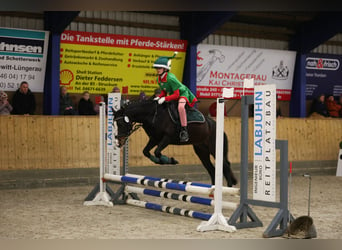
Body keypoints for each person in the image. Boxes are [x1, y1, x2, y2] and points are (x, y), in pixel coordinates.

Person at [152, 52, 198, 142]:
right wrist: (159, 97)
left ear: (165, 69)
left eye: (160, 68)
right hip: (173, 94)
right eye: (157, 68)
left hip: (183, 94)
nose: (157, 70)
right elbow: (164, 91)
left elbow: (177, 95)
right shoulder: (158, 79)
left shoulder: (170, 78)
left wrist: (165, 98)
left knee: (180, 107)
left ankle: (184, 130)